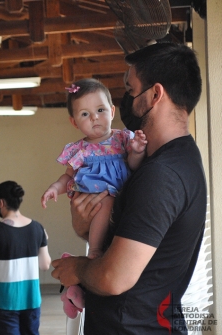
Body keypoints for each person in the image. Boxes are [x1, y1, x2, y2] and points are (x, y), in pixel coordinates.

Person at [51, 42, 206, 334]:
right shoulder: (163, 160)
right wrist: (84, 226)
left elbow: (114, 278)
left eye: (131, 89)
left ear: (155, 94)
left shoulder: (163, 175)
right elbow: (134, 238)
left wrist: (78, 269)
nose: (126, 98)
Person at [41, 78, 147, 259]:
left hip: (124, 196)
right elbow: (67, 177)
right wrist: (54, 188)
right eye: (84, 114)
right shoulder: (78, 149)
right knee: (105, 205)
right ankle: (94, 250)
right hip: (97, 196)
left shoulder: (123, 138)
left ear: (112, 111)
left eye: (100, 110)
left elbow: (133, 166)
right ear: (74, 122)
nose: (94, 117)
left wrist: (137, 152)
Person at [0, 181, 52, 335]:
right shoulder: (38, 228)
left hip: (4, 300)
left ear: (1, 202)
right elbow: (45, 265)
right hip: (31, 298)